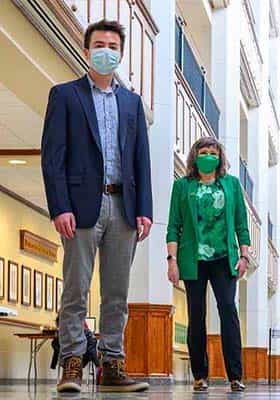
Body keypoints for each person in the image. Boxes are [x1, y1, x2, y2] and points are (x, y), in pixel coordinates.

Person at [41, 19, 153, 393]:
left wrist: (145, 209)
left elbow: (141, 161)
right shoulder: (65, 95)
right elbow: (53, 157)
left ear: (120, 54)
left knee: (117, 293)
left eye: (114, 46)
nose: (107, 51)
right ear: (87, 50)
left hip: (124, 207)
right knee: (75, 288)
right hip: (81, 207)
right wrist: (59, 207)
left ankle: (112, 365)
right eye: (100, 45)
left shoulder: (132, 103)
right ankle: (72, 362)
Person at [166, 137, 251, 393]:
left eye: (213, 152)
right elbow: (174, 226)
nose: (208, 156)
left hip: (224, 259)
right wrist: (172, 261)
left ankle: (235, 376)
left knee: (228, 312)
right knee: (196, 315)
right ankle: (200, 375)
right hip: (193, 259)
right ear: (195, 156)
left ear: (219, 157)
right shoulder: (183, 186)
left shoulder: (232, 185)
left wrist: (244, 256)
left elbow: (241, 224)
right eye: (203, 152)